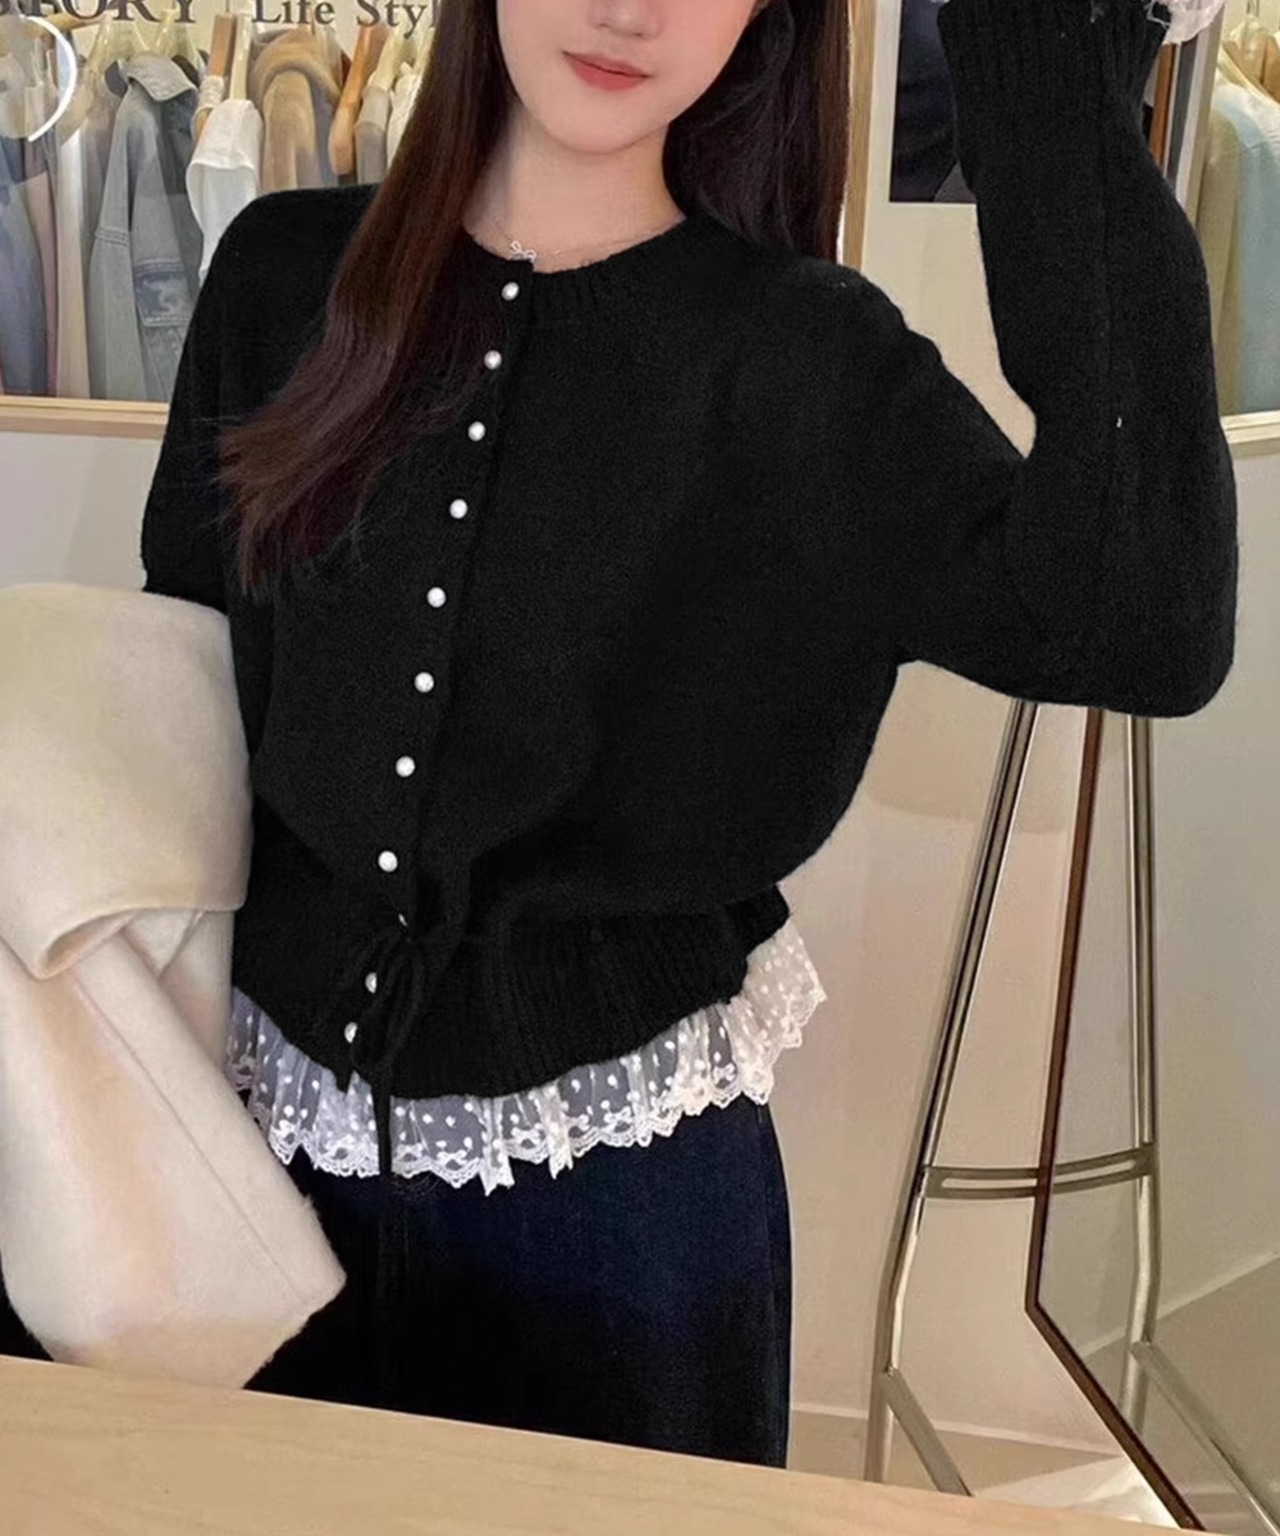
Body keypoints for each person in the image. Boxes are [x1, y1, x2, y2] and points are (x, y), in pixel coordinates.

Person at [137, 0, 1237, 1471]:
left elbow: (1141, 614)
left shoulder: (809, 362)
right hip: (250, 1180)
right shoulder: (280, 275)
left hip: (619, 1235)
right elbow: (185, 674)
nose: (628, 10)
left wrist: (1033, 57)